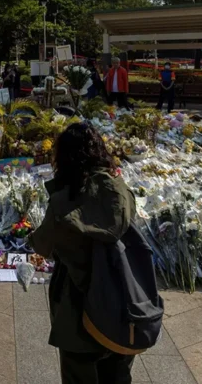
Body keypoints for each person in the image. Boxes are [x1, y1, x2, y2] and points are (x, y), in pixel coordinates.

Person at [29, 122, 136, 384]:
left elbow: (45, 246)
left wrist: (32, 236)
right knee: (118, 375)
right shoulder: (119, 190)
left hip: (79, 308)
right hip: (122, 303)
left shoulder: (64, 201)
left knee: (79, 374)